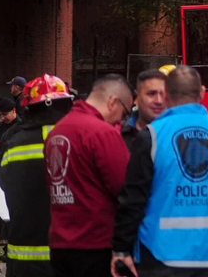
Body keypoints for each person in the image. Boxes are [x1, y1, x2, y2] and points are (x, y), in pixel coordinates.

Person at [112, 65, 208, 277]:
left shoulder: (152, 137)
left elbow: (133, 200)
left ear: (166, 95)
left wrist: (121, 248)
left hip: (160, 255)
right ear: (202, 93)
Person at [47, 75, 133, 277]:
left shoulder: (57, 131)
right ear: (113, 102)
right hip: (95, 244)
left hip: (60, 242)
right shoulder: (102, 133)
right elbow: (124, 188)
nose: (122, 120)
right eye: (124, 112)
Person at [0, 74, 75, 276]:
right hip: (70, 257)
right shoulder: (79, 139)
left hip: (23, 258)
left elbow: (2, 181)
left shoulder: (12, 142)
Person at [122, 70, 168, 152]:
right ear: (136, 98)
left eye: (163, 94)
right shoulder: (119, 134)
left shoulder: (179, 136)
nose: (159, 101)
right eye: (151, 94)